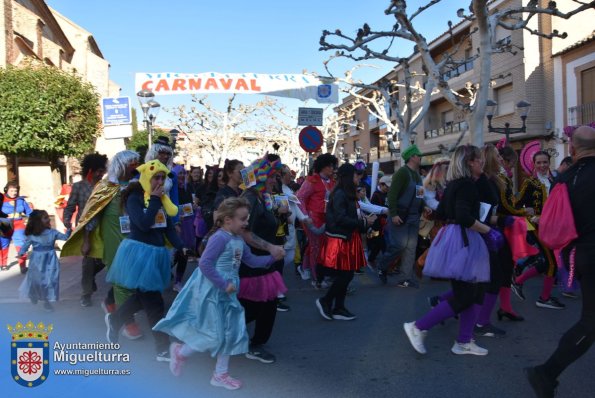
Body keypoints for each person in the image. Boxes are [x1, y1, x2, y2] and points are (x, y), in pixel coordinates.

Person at [154, 198, 282, 389]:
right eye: (243, 219)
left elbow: (251, 261)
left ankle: (219, 374)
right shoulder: (220, 238)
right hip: (212, 291)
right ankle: (181, 352)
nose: (246, 223)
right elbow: (204, 263)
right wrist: (223, 284)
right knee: (212, 334)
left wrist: (272, 257)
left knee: (228, 332)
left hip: (227, 292)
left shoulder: (238, 239)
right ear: (228, 219)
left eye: (247, 219)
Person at [404, 145, 503, 356]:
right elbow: (464, 217)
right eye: (479, 160)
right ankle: (418, 326)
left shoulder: (456, 184)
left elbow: (442, 212)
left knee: (477, 291)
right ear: (470, 162)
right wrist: (489, 231)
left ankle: (464, 341)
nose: (482, 162)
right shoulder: (467, 185)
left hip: (459, 238)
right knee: (466, 295)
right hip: (464, 240)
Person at [525, 125, 595, 397]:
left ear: (573, 149)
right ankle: (545, 373)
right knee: (590, 323)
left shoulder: (563, 181)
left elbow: (552, 229)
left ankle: (545, 373)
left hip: (583, 255)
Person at [105, 160, 188, 362]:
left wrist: (180, 245)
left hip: (156, 253)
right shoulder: (134, 197)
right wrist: (154, 200)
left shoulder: (162, 199)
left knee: (142, 298)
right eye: (156, 177)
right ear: (146, 178)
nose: (160, 181)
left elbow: (167, 227)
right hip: (139, 254)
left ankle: (115, 319)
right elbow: (142, 224)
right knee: (154, 303)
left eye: (162, 177)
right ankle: (162, 348)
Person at [61, 150, 144, 339]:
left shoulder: (137, 186)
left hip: (134, 241)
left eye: (136, 163)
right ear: (122, 165)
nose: (136, 167)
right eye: (132, 163)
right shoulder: (105, 187)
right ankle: (127, 322)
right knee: (123, 282)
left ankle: (110, 303)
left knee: (133, 280)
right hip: (113, 241)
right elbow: (92, 215)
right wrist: (87, 240)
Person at [238, 155, 287, 363]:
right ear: (261, 177)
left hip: (263, 261)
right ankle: (245, 341)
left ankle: (252, 342)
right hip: (253, 262)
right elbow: (244, 232)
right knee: (256, 307)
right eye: (272, 177)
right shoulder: (250, 198)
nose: (274, 181)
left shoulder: (260, 197)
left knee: (265, 304)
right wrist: (270, 247)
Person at [316, 163, 376, 321]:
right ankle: (326, 301)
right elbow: (340, 218)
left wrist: (363, 222)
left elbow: (349, 216)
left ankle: (338, 307)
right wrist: (363, 223)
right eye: (356, 176)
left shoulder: (347, 193)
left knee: (346, 275)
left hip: (346, 238)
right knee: (345, 275)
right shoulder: (340, 194)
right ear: (349, 177)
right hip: (339, 240)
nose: (358, 178)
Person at [512, 150, 565, 310]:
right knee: (551, 262)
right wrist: (529, 214)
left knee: (548, 262)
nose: (542, 165)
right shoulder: (530, 183)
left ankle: (519, 281)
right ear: (533, 165)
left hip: (553, 227)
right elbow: (516, 204)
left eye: (545, 162)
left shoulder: (554, 180)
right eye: (538, 163)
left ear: (549, 163)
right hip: (537, 227)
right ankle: (543, 297)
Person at [377, 144, 427, 287]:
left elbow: (420, 195)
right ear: (412, 157)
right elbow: (392, 195)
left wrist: (425, 207)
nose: (420, 157)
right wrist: (393, 214)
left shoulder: (417, 175)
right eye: (418, 155)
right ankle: (382, 266)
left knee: (411, 247)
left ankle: (405, 278)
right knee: (399, 245)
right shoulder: (402, 173)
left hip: (414, 216)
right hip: (400, 216)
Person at [63, 153, 108, 307]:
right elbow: (70, 206)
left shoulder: (106, 186)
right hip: (86, 230)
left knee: (106, 259)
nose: (101, 174)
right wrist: (67, 221)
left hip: (103, 227)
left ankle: (91, 278)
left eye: (103, 170)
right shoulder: (78, 187)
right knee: (87, 263)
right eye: (99, 170)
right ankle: (86, 294)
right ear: (90, 170)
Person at [296, 153, 338, 286]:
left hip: (327, 218)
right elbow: (300, 198)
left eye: (333, 166)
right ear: (322, 167)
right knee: (316, 247)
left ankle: (306, 267)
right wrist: (305, 216)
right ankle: (316, 278)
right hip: (313, 219)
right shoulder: (311, 181)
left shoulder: (332, 182)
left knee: (320, 247)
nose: (332, 169)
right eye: (330, 166)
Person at [17, 210, 70, 312]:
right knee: (37, 280)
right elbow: (26, 245)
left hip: (51, 260)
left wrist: (68, 228)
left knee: (50, 280)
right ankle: (33, 294)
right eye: (45, 217)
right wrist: (21, 253)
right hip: (37, 261)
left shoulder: (53, 232)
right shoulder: (32, 235)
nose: (48, 219)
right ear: (38, 221)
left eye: (47, 217)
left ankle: (47, 302)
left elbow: (65, 237)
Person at [171, 165, 196, 292]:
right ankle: (166, 273)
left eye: (183, 173)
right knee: (175, 253)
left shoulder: (188, 187)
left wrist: (194, 206)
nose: (181, 175)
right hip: (175, 225)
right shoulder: (171, 189)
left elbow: (191, 203)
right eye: (178, 173)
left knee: (183, 253)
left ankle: (178, 281)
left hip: (187, 223)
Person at [1, 181, 33, 273]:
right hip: (4, 224)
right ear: (6, 190)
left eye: (15, 191)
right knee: (4, 245)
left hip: (18, 224)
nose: (14, 193)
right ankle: (3, 264)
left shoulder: (21, 200)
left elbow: (29, 212)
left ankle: (22, 266)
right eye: (11, 191)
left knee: (21, 244)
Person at [367, 175, 391, 267]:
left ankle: (371, 259)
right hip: (376, 223)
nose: (387, 188)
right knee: (381, 243)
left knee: (378, 243)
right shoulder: (375, 195)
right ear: (381, 184)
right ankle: (386, 266)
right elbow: (373, 210)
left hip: (385, 223)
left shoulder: (387, 194)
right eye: (386, 186)